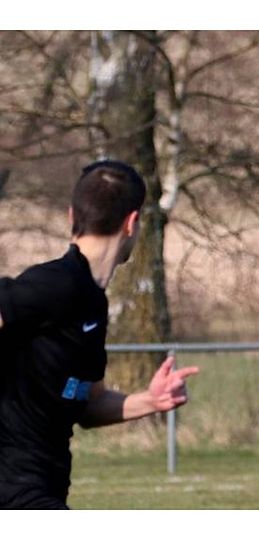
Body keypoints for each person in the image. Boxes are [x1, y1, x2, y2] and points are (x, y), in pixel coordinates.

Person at [0, 160, 200, 510]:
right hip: (16, 492)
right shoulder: (56, 283)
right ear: (132, 223)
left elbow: (88, 405)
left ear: (71, 215)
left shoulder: (91, 302)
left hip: (42, 487)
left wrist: (150, 401)